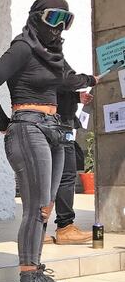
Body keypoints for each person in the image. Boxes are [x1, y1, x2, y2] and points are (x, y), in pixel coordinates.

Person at [0, 0, 98, 282]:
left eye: (65, 20)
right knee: (34, 208)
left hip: (54, 129)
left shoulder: (52, 55)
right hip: (28, 127)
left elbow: (66, 83)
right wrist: (4, 122)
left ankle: (35, 268)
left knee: (45, 208)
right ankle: (28, 279)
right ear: (35, 17)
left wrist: (86, 83)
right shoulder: (22, 47)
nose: (59, 27)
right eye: (53, 17)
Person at [44, 85, 94, 245]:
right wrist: (78, 93)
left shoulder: (39, 64)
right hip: (57, 124)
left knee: (51, 177)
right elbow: (64, 82)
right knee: (65, 176)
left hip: (56, 123)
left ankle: (38, 229)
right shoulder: (52, 63)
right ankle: (64, 227)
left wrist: (75, 96)